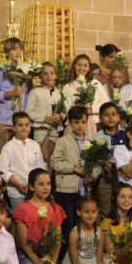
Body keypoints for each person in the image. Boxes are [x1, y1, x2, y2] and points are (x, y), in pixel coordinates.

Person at [13, 169, 67, 264]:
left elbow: (57, 240)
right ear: (31, 186)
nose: (46, 187)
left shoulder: (55, 208)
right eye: (41, 184)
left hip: (48, 257)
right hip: (30, 256)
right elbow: (24, 243)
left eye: (48, 184)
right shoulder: (23, 209)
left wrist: (52, 263)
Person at [62, 196, 126, 264]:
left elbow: (99, 259)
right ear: (79, 212)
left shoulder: (99, 232)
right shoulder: (74, 233)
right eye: (86, 212)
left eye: (93, 211)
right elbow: (75, 262)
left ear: (97, 212)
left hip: (94, 263)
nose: (90, 215)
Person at [51, 106, 90, 247]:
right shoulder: (64, 141)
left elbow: (97, 163)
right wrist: (74, 169)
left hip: (84, 191)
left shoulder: (90, 142)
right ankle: (65, 257)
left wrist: (92, 175)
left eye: (83, 122)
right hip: (66, 190)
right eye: (76, 122)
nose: (80, 125)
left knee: (82, 225)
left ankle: (80, 254)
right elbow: (54, 162)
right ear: (70, 123)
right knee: (68, 225)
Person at [0, 112, 46, 209]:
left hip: (34, 191)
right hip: (16, 192)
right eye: (20, 125)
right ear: (14, 127)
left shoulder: (35, 145)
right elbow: (3, 170)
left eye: (27, 125)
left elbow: (40, 166)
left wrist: (35, 184)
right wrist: (18, 185)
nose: (24, 128)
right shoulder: (8, 147)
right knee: (21, 220)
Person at [0, 37, 29, 151]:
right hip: (3, 119)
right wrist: (10, 93)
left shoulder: (26, 71)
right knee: (2, 153)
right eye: (14, 49)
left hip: (19, 122)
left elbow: (26, 96)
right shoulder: (0, 70)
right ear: (7, 52)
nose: (18, 52)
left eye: (21, 49)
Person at [61, 54, 110, 138]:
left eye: (85, 66)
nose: (82, 68)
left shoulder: (95, 83)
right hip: (73, 124)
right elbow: (64, 107)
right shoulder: (68, 86)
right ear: (74, 66)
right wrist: (74, 108)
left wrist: (91, 109)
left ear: (89, 68)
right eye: (79, 65)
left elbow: (105, 104)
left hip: (93, 123)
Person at [26, 62, 64, 167]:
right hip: (41, 129)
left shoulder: (59, 92)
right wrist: (44, 118)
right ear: (40, 76)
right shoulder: (35, 91)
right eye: (45, 73)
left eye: (51, 73)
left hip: (55, 130)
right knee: (44, 159)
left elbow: (64, 110)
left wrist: (60, 116)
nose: (49, 76)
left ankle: (50, 182)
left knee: (52, 160)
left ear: (55, 75)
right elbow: (28, 112)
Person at [92, 102, 127, 214]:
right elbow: (90, 160)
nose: (111, 117)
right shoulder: (96, 138)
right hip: (105, 181)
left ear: (119, 117)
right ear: (100, 118)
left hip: (125, 180)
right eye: (106, 115)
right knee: (106, 212)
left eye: (113, 114)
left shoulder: (126, 135)